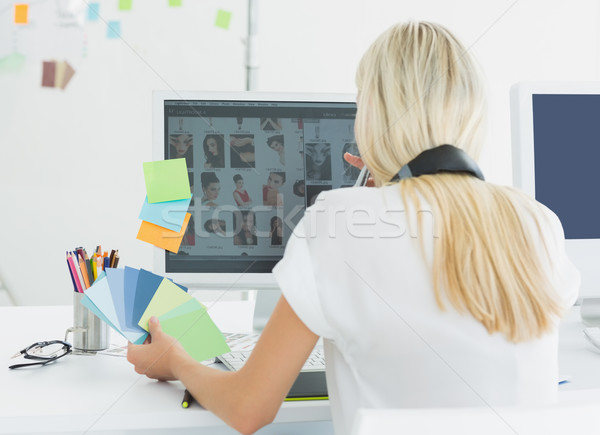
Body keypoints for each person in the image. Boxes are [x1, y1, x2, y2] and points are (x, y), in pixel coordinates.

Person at [127, 21, 579, 435]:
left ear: (375, 117)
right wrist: (395, 182)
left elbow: (250, 409)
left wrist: (177, 361)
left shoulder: (339, 219)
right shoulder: (538, 222)